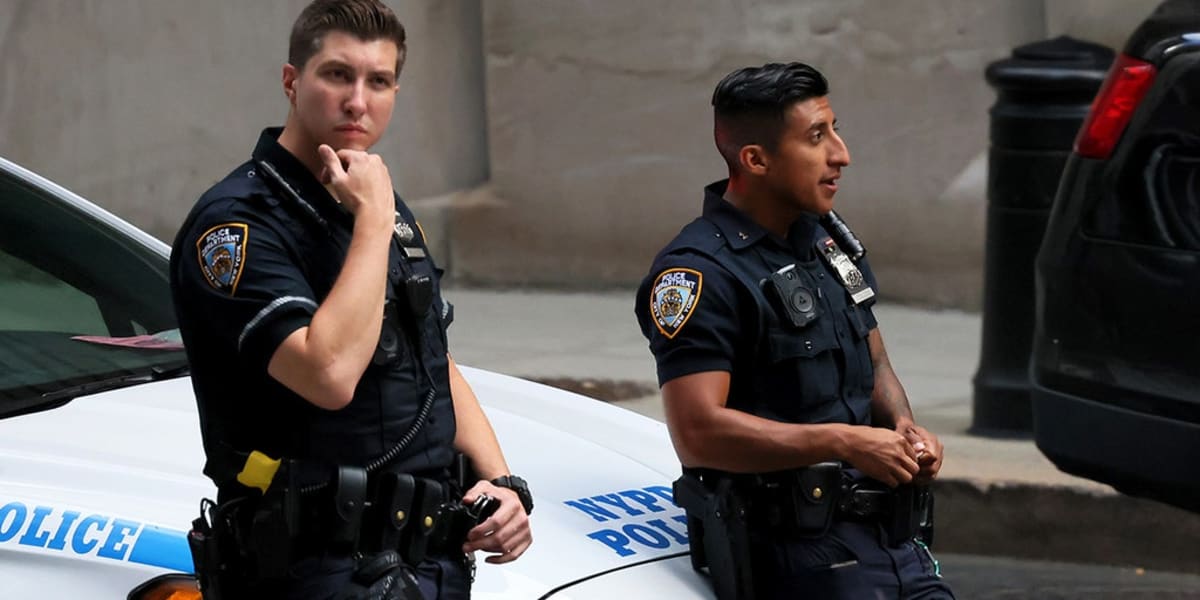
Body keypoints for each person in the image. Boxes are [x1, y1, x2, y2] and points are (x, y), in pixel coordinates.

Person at [169, 1, 532, 598]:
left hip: (426, 560)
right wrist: (372, 220)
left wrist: (502, 481)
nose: (358, 101)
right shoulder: (237, 226)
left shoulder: (373, 199)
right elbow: (327, 374)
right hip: (309, 568)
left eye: (379, 81)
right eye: (337, 74)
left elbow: (431, 359)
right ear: (292, 81)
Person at [635, 62, 955, 599]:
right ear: (755, 159)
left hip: (892, 541)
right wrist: (844, 442)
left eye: (834, 129)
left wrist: (903, 429)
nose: (841, 153)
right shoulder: (698, 273)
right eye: (816, 137)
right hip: (798, 562)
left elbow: (874, 361)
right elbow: (698, 434)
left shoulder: (825, 241)